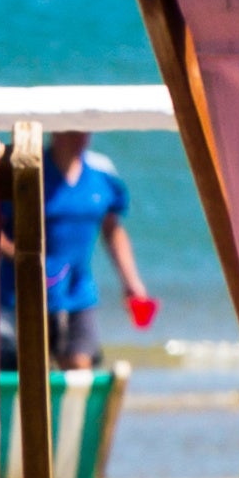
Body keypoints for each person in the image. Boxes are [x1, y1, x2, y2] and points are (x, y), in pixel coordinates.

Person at [47, 129, 162, 366]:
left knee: (80, 365)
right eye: (73, 131)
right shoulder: (31, 173)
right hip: (23, 291)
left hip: (78, 291)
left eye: (85, 130)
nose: (82, 137)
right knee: (23, 371)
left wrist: (131, 282)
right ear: (56, 132)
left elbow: (113, 230)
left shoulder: (100, 173)